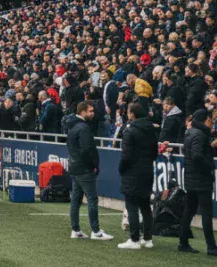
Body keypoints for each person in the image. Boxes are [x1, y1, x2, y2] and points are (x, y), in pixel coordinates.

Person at [179, 109, 217, 257]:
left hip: (191, 177)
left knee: (189, 211)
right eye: (210, 120)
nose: (212, 122)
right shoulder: (199, 134)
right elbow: (197, 156)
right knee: (206, 213)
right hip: (200, 179)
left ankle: (183, 242)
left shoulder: (190, 133)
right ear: (204, 120)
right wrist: (209, 166)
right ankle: (211, 246)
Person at [67, 100, 113, 240]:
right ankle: (96, 231)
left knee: (76, 199)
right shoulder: (83, 128)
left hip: (74, 167)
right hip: (83, 169)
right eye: (90, 111)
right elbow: (87, 150)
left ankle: (75, 229)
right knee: (92, 199)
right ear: (82, 112)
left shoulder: (72, 126)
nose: (93, 113)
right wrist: (92, 165)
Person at [117, 101, 157, 249]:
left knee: (132, 206)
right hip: (147, 171)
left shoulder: (130, 131)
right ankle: (148, 239)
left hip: (133, 173)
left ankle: (134, 240)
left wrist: (122, 169)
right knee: (145, 206)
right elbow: (154, 152)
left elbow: (126, 156)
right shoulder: (151, 129)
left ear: (132, 114)